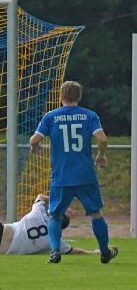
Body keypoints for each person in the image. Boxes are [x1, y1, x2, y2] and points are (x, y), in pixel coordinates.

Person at [30, 80, 118, 264]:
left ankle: (54, 252)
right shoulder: (89, 115)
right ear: (79, 96)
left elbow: (34, 139)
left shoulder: (51, 116)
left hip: (61, 176)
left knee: (55, 214)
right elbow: (102, 139)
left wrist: (36, 146)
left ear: (60, 96)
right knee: (96, 214)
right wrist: (101, 155)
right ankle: (104, 252)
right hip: (85, 175)